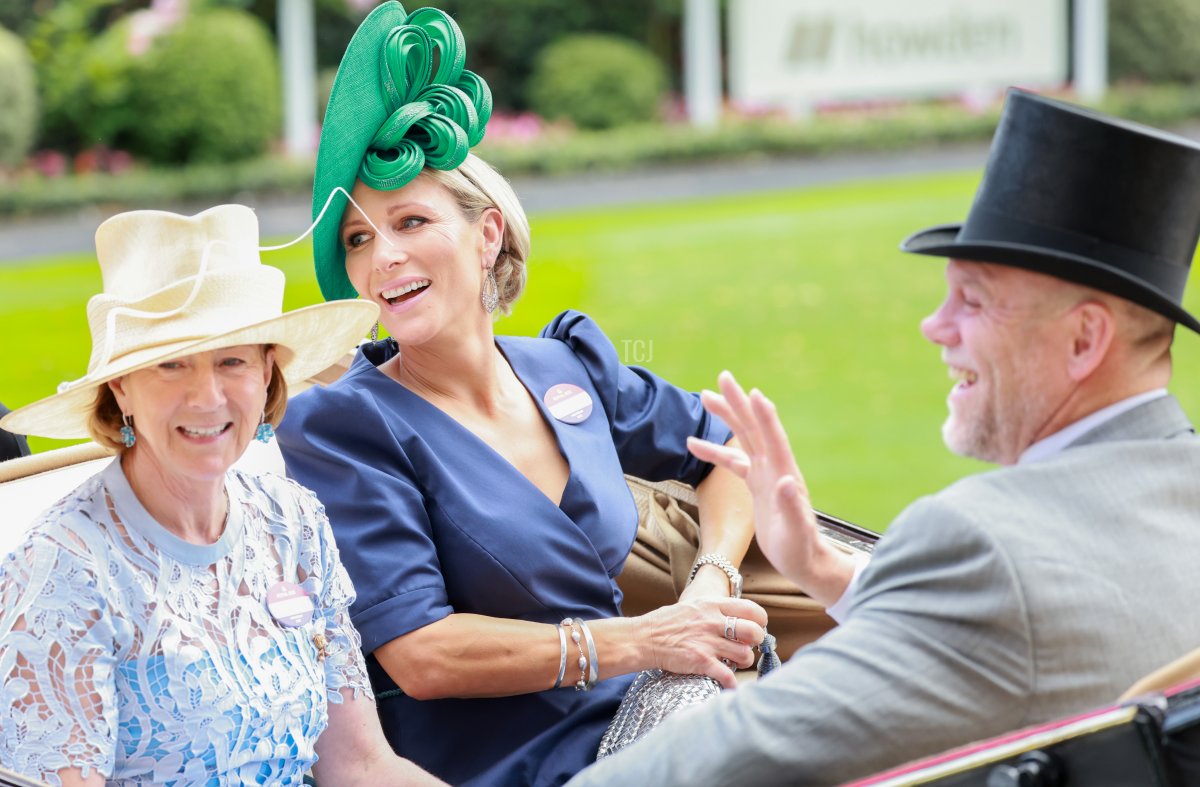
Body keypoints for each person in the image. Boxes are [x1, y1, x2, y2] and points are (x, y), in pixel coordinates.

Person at [568, 89, 1200, 785]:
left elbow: (749, 748)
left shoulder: (984, 543)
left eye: (973, 299)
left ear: (1085, 338)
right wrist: (820, 567)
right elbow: (1043, 624)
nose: (935, 325)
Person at [275, 4, 768, 785]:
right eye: (359, 240)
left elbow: (727, 452)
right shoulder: (342, 423)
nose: (384, 257)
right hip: (506, 760)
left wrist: (710, 582)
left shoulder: (567, 364)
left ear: (488, 233)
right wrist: (646, 640)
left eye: (410, 219)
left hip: (644, 704)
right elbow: (422, 653)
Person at [0, 205, 442, 786]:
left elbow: (360, 764)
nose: (206, 396)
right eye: (171, 365)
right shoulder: (64, 566)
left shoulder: (293, 519)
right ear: (120, 389)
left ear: (266, 376)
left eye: (231, 361)